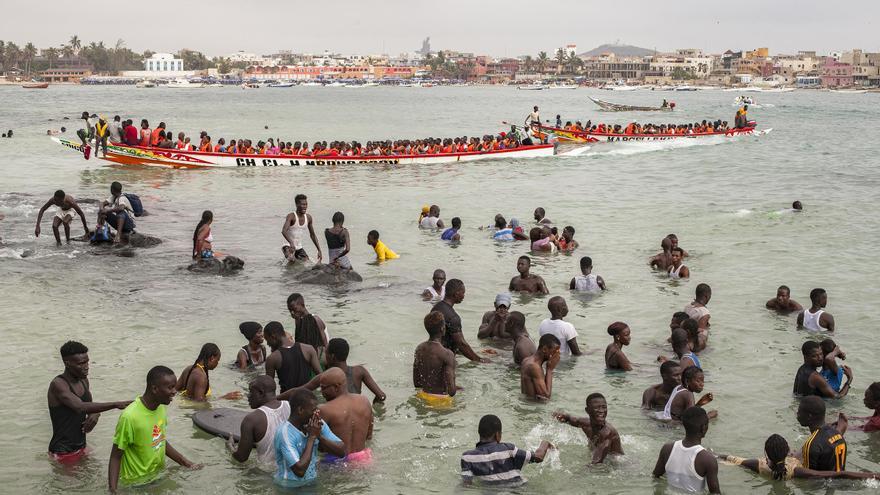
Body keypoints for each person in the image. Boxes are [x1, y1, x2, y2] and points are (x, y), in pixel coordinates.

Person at [109, 366, 201, 492]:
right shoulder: (129, 417)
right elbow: (115, 456)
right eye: (170, 387)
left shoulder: (161, 408)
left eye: (174, 386)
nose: (175, 391)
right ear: (154, 388)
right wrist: (113, 491)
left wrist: (186, 463)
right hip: (136, 484)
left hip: (158, 476)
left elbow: (159, 440)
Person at [48, 341, 130, 462]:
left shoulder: (83, 380)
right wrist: (116, 404)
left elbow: (90, 406)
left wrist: (95, 414)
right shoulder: (58, 384)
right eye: (81, 363)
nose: (86, 366)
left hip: (82, 446)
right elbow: (80, 407)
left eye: (87, 361)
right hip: (62, 451)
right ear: (67, 363)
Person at [720, 433, 879, 480]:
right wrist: (874, 475)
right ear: (786, 450)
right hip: (795, 461)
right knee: (803, 450)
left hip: (779, 464)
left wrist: (714, 454)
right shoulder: (796, 472)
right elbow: (839, 474)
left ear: (765, 454)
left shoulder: (757, 465)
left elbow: (733, 459)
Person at [273, 388, 346, 488]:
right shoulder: (284, 433)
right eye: (313, 410)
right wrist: (312, 437)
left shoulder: (316, 424)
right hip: (290, 487)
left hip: (311, 483)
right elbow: (300, 470)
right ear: (300, 410)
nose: (317, 413)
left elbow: (342, 451)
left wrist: (319, 436)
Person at [460, 414, 552, 486]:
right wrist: (545, 443)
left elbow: (466, 484)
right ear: (497, 435)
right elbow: (539, 457)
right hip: (518, 489)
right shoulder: (508, 449)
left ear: (479, 433)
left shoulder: (467, 457)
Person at [652, 406, 721, 494]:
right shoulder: (708, 459)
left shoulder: (667, 449)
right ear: (704, 428)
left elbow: (655, 477)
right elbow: (715, 493)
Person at [228, 376, 290, 465]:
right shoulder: (290, 406)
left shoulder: (251, 420)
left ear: (261, 392)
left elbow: (241, 458)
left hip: (267, 474)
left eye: (250, 392)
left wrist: (230, 447)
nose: (248, 396)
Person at [315, 368, 374, 462]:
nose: (321, 392)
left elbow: (318, 445)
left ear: (336, 387)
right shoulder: (365, 401)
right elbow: (369, 436)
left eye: (323, 388)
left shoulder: (323, 409)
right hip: (363, 459)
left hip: (335, 463)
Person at [554, 393, 624, 463]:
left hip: (616, 464)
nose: (601, 411)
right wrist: (562, 416)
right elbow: (571, 419)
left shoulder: (607, 433)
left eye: (604, 407)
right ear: (587, 410)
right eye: (597, 408)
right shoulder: (586, 424)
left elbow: (596, 464)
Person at [432, 279, 488, 363]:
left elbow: (444, 339)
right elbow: (461, 343)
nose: (464, 296)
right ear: (456, 294)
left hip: (432, 352)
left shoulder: (436, 308)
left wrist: (475, 352)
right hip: (445, 359)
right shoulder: (453, 317)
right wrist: (480, 360)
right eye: (463, 293)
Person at [413, 311, 458, 406]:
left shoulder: (419, 349)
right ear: (442, 328)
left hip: (423, 397)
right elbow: (452, 391)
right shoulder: (447, 354)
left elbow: (417, 383)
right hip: (441, 401)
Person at [319, 338, 386, 402]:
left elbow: (308, 391)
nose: (325, 356)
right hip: (357, 412)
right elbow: (381, 396)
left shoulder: (325, 377)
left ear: (332, 356)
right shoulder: (359, 371)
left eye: (326, 353)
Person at [265, 321, 322, 392]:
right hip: (308, 397)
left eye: (267, 340)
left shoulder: (272, 358)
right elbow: (321, 376)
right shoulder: (308, 349)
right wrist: (309, 387)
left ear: (273, 337)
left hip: (287, 400)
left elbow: (268, 387)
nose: (267, 344)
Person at [796, 396, 848, 472]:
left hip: (823, 483)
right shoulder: (838, 434)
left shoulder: (812, 444)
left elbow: (808, 478)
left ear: (809, 416)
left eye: (799, 411)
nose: (797, 413)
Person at [175, 344, 241, 401]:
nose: (217, 363)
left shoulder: (189, 368)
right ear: (212, 358)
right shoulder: (201, 377)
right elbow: (200, 403)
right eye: (217, 360)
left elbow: (175, 390)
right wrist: (223, 398)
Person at [287, 293, 329, 362]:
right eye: (290, 310)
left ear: (302, 305)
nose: (292, 313)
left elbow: (325, 343)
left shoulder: (315, 320)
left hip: (319, 358)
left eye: (294, 309)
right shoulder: (298, 320)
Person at [282, 194, 322, 263]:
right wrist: (291, 243)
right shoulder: (291, 216)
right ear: (297, 205)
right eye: (303, 204)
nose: (305, 207)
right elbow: (284, 231)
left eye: (306, 204)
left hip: (299, 247)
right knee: (292, 260)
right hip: (288, 246)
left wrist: (319, 250)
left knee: (307, 262)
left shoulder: (308, 218)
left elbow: (312, 235)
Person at [520, 334, 561, 400]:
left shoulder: (526, 360)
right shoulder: (534, 367)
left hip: (528, 405)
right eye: (555, 351)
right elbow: (545, 397)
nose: (557, 355)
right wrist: (549, 369)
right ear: (544, 349)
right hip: (533, 408)